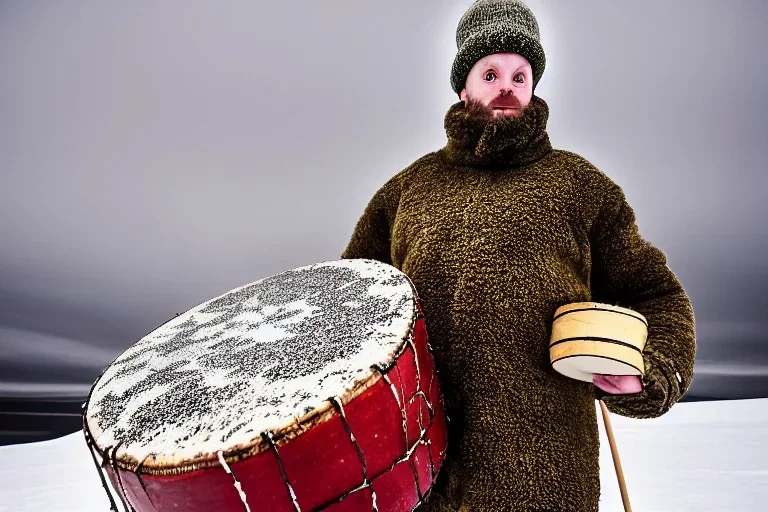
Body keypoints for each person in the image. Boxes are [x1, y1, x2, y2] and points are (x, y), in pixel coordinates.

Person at [340, 0, 697, 510]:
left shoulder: (579, 187)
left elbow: (658, 296)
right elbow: (351, 310)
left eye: (520, 74)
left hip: (550, 483)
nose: (506, 87)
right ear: (463, 86)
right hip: (426, 485)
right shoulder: (406, 192)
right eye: (490, 73)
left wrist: (649, 371)